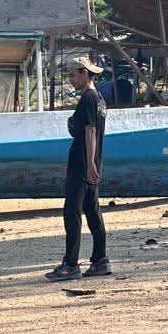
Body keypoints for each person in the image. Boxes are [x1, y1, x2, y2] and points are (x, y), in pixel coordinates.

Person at [46, 58, 111, 281]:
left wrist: (90, 162)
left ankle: (70, 264)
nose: (71, 80)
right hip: (91, 162)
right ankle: (100, 259)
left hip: (82, 163)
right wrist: (94, 162)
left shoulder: (89, 98)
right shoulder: (100, 99)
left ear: (84, 73)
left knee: (71, 212)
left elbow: (90, 131)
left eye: (73, 75)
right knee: (92, 211)